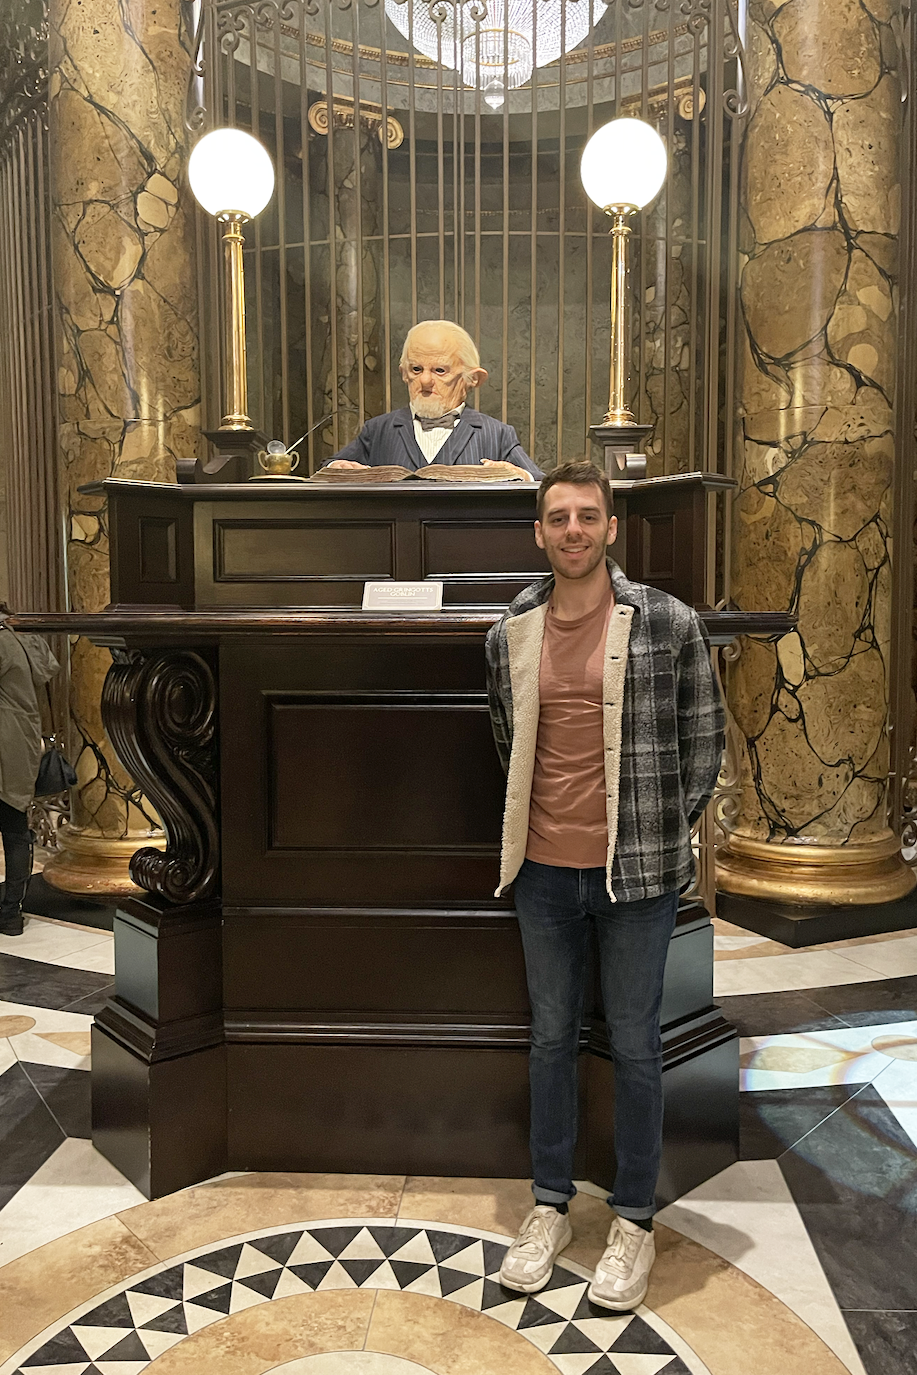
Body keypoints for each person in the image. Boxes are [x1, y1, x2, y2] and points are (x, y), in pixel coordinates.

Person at [484, 460, 724, 1310]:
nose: (574, 530)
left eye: (588, 515)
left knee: (634, 1044)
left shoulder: (665, 622)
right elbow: (504, 732)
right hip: (542, 871)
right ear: (539, 532)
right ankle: (550, 1204)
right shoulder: (511, 627)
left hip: (638, 877)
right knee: (549, 1039)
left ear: (611, 528)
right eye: (559, 517)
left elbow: (705, 740)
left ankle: (631, 1219)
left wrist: (659, 829)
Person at [324, 320, 542, 479]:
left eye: (439, 370)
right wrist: (338, 468)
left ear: (472, 378)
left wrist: (520, 475)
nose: (425, 380)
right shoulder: (378, 430)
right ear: (403, 373)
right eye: (416, 369)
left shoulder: (497, 433)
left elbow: (542, 484)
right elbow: (325, 472)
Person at [0, 606, 60, 936]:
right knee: (14, 827)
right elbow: (48, 671)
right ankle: (11, 912)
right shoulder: (27, 640)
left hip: (3, 741)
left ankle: (9, 913)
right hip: (21, 741)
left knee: (13, 830)